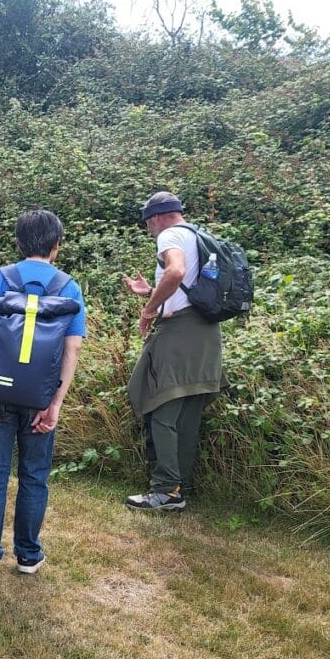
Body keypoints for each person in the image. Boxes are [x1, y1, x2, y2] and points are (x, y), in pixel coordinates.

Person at [0, 210, 85, 579]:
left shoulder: (0, 279)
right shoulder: (68, 287)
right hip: (40, 398)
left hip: (0, 393)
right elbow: (72, 349)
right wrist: (54, 404)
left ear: (19, 244)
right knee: (34, 476)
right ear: (56, 246)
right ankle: (28, 555)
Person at [122, 191, 225, 510]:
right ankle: (180, 486)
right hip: (207, 333)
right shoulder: (201, 236)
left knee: (159, 404)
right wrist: (153, 292)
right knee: (187, 414)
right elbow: (189, 290)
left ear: (154, 218)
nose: (149, 229)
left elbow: (176, 272)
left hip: (179, 333)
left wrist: (148, 309)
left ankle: (165, 490)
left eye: (147, 223)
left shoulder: (170, 234)